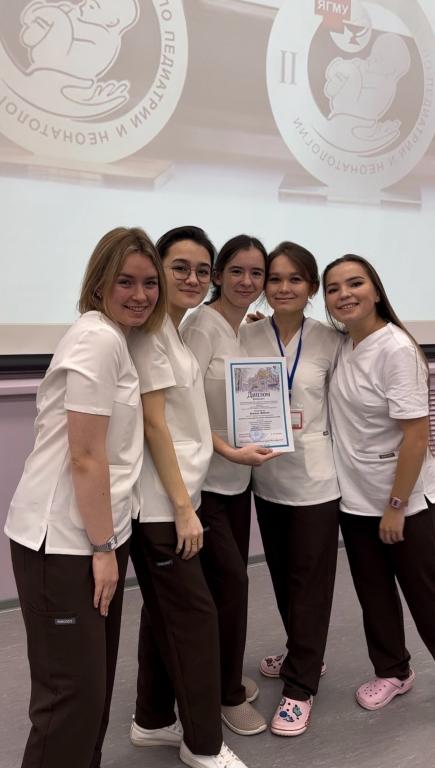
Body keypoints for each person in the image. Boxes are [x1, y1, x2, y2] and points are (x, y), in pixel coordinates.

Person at [5, 226, 166, 768]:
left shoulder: (115, 338)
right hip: (65, 543)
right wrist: (102, 547)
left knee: (90, 692)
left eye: (149, 283)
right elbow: (87, 456)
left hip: (96, 536)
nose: (140, 295)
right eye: (125, 281)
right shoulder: (96, 339)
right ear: (99, 283)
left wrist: (108, 543)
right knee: (69, 700)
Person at [128, 226, 248, 768]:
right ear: (158, 269)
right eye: (180, 268)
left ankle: (151, 720)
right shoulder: (151, 335)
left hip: (181, 496)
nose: (194, 279)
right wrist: (181, 509)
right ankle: (203, 746)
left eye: (202, 270)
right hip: (162, 505)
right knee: (195, 621)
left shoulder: (173, 332)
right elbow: (153, 425)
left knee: (164, 615)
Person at [323, 254, 435, 711]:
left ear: (375, 290)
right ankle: (393, 671)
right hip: (355, 500)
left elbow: (416, 436)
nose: (344, 294)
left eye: (355, 283)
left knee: (426, 595)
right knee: (374, 593)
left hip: (404, 502)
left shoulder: (395, 349)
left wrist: (396, 505)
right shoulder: (344, 344)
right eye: (333, 288)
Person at [240, 242, 341, 736]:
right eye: (275, 278)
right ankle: (303, 650)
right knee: (282, 576)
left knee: (310, 583)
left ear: (312, 287)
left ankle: (301, 687)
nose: (283, 287)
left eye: (295, 279)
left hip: (316, 482)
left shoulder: (330, 341)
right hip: (266, 478)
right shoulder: (247, 335)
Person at [182, 234, 275, 737]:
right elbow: (185, 408)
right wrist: (227, 451)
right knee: (233, 586)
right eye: (236, 271)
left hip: (239, 483)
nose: (247, 281)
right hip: (206, 485)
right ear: (218, 275)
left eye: (256, 273)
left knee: (228, 586)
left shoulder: (247, 330)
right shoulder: (200, 327)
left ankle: (223, 674)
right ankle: (227, 695)